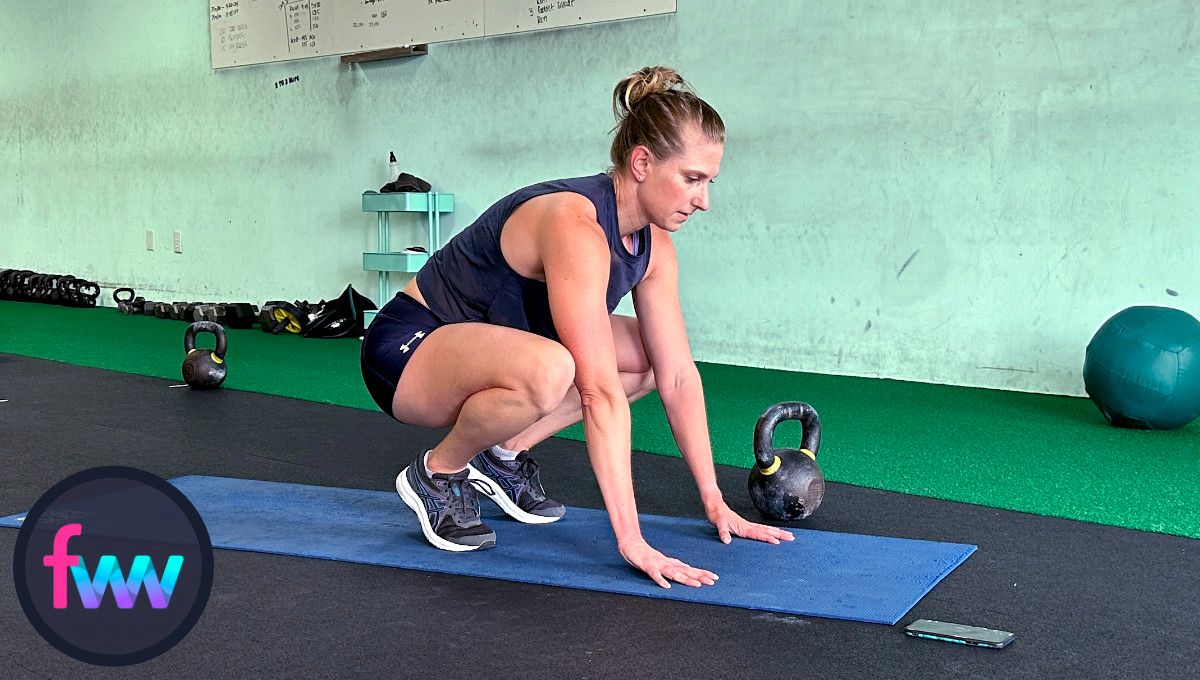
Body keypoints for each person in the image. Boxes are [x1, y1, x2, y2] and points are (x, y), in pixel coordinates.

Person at [360, 65, 794, 589]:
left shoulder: (654, 247)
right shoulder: (575, 224)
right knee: (554, 368)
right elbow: (598, 392)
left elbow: (678, 374)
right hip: (409, 351)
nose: (704, 199)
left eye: (710, 181)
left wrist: (715, 502)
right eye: (692, 179)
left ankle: (503, 454)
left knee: (647, 360)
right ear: (641, 163)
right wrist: (631, 541)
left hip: (496, 354)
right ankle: (438, 472)